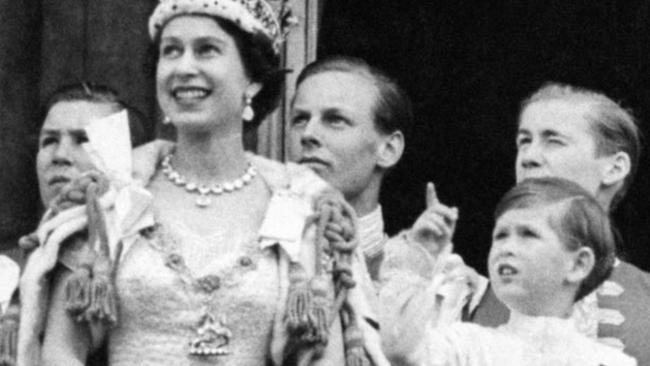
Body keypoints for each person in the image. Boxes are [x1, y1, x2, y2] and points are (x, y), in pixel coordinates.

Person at [28, 2, 386, 366]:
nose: (183, 67)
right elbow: (62, 352)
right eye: (171, 51)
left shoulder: (301, 206)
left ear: (253, 78)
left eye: (206, 50)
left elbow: (325, 357)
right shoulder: (113, 196)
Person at [470, 82, 650, 365]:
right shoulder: (468, 297)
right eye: (524, 141)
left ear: (614, 168)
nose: (528, 157)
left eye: (553, 141)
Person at [380, 177, 636, 366]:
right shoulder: (467, 346)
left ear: (578, 265)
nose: (506, 248)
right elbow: (398, 345)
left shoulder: (611, 362)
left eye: (528, 235)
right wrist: (419, 254)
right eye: (501, 235)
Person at [14, 82, 149, 366]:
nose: (60, 155)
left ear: (127, 158)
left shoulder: (143, 262)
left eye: (83, 139)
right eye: (49, 140)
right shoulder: (14, 265)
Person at [290, 56, 410, 279]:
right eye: (300, 119)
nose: (307, 134)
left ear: (389, 150)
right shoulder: (256, 265)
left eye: (335, 119)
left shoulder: (424, 283)